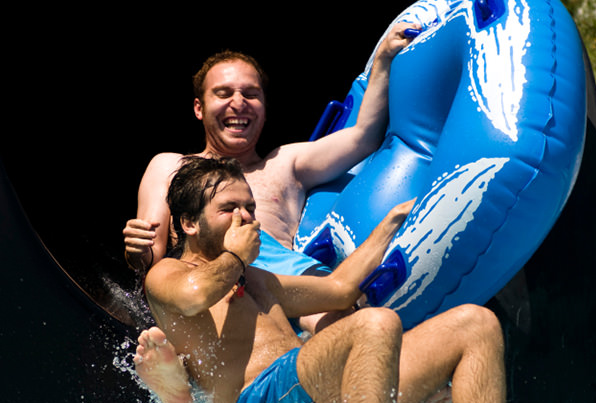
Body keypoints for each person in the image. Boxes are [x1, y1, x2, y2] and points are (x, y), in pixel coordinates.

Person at [135, 156, 506, 403]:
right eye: (229, 208)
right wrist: (235, 256)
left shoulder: (256, 278)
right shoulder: (167, 274)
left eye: (249, 207)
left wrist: (393, 221)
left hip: (320, 397)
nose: (245, 217)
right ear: (189, 223)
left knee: (476, 323)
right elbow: (194, 297)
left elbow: (340, 289)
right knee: (376, 323)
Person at [123, 21, 420, 277]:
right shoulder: (170, 167)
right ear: (199, 108)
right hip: (202, 299)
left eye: (251, 94)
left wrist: (384, 57)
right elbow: (150, 259)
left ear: (264, 109)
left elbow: (362, 137)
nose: (238, 103)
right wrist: (137, 250)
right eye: (223, 93)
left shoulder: (286, 164)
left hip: (278, 301)